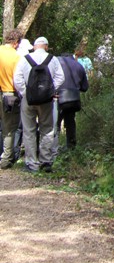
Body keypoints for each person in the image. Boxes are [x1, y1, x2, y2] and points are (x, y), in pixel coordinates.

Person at [13, 36, 64, 173]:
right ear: (46, 46)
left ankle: (31, 163)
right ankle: (45, 161)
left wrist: (26, 93)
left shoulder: (25, 59)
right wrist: (51, 92)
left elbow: (17, 78)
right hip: (47, 101)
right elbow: (61, 77)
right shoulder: (52, 59)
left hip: (28, 101)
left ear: (35, 46)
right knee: (47, 129)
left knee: (28, 130)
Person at [55, 52, 88, 150]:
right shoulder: (79, 66)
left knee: (55, 123)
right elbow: (85, 87)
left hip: (58, 98)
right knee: (70, 122)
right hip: (73, 99)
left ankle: (53, 148)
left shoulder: (56, 63)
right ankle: (71, 147)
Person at [0, 29, 23, 170]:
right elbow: (18, 80)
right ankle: (6, 159)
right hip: (9, 94)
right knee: (9, 128)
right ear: (16, 43)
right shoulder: (16, 57)